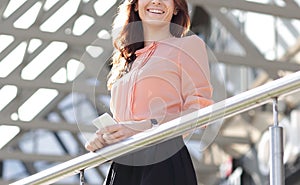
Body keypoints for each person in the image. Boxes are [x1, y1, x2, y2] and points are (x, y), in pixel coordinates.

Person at [85, 0, 213, 184]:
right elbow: (123, 124)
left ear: (177, 6)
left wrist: (141, 127)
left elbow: (200, 112)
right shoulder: (126, 63)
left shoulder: (188, 46)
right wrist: (105, 138)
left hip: (163, 159)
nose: (157, 1)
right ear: (135, 5)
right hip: (124, 165)